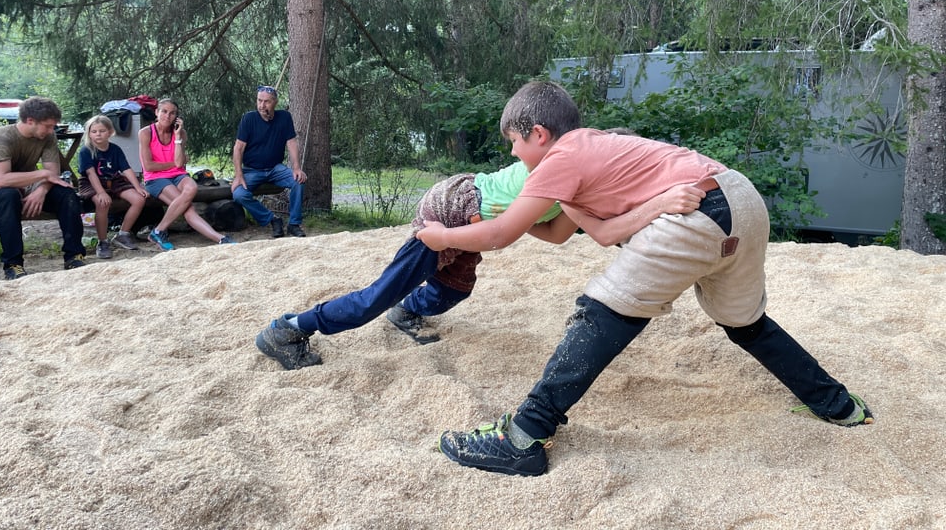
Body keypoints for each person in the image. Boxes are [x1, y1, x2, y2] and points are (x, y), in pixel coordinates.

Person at [417, 80, 873, 477]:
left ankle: (523, 437)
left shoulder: (563, 155)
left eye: (514, 142)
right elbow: (575, 234)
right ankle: (839, 406)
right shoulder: (593, 153)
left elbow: (499, 234)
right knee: (746, 323)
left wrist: (442, 236)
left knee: (600, 310)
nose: (513, 154)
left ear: (539, 134)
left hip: (700, 212)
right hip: (740, 200)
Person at [255, 156, 690, 369]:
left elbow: (558, 234)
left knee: (455, 289)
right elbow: (600, 232)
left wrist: (517, 221)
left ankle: (406, 311)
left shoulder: (574, 193)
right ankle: (288, 329)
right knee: (374, 297)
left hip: (473, 222)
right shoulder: (560, 176)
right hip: (448, 212)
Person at [0, 97, 86, 279]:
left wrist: (41, 190)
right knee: (8, 196)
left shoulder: (48, 136)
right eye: (48, 126)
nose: (51, 130)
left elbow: (52, 173)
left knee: (67, 194)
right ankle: (13, 264)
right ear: (30, 121)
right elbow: (1, 179)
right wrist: (43, 175)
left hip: (31, 183)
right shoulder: (1, 136)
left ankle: (74, 256)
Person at [138, 98, 235, 250]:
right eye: (164, 111)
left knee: (192, 188)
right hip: (156, 178)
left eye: (172, 113)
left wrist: (177, 138)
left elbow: (180, 164)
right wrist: (175, 163)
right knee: (187, 208)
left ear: (177, 117)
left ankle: (158, 230)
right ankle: (221, 239)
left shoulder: (181, 133)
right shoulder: (146, 133)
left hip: (177, 175)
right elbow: (149, 166)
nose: (167, 116)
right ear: (156, 112)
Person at [231, 85, 307, 238]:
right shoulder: (249, 119)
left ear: (275, 103)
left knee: (298, 181)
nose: (262, 105)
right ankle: (272, 219)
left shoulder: (284, 117)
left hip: (275, 169)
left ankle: (294, 224)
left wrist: (297, 168)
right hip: (252, 170)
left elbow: (291, 143)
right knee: (238, 194)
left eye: (266, 102)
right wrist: (239, 175)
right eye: (259, 100)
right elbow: (238, 148)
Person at [77, 114, 149, 259]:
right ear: (89, 133)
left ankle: (123, 234)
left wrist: (137, 187)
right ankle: (103, 241)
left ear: (110, 132)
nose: (98, 134)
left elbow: (126, 169)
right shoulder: (86, 151)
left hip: (113, 180)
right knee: (102, 202)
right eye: (94, 131)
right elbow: (91, 174)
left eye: (102, 131)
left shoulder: (115, 149)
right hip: (92, 182)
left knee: (139, 199)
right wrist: (101, 193)